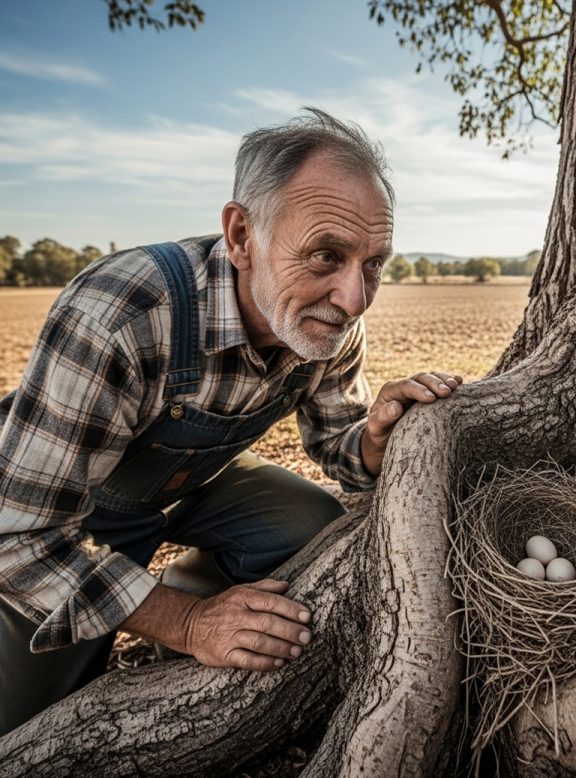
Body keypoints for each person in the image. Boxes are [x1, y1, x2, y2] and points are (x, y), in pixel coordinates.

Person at [0, 109, 462, 736]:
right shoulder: (123, 314)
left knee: (313, 530)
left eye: (374, 263)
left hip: (194, 485)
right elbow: (18, 540)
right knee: (28, 717)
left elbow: (336, 443)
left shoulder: (327, 321)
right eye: (326, 254)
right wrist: (189, 623)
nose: (355, 298)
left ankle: (192, 573)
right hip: (65, 509)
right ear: (243, 235)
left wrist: (375, 438)